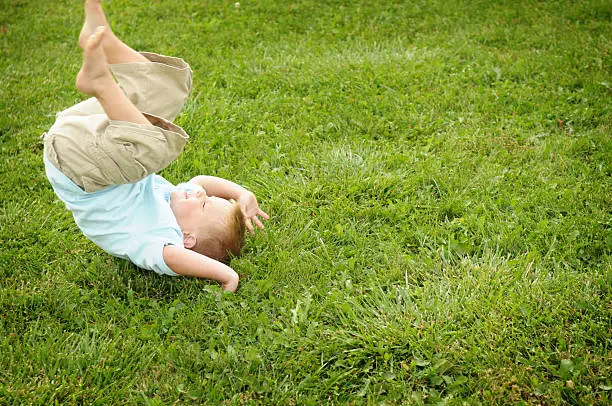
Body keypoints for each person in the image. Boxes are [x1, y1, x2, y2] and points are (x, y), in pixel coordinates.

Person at [43, 0, 269, 292]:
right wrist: (241, 194)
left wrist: (226, 275)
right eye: (208, 197)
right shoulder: (172, 197)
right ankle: (106, 42)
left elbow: (178, 259)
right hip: (91, 138)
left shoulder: (159, 239)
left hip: (78, 166)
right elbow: (202, 181)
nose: (200, 191)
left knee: (156, 149)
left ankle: (101, 82)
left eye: (203, 202)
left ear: (187, 238)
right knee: (169, 90)